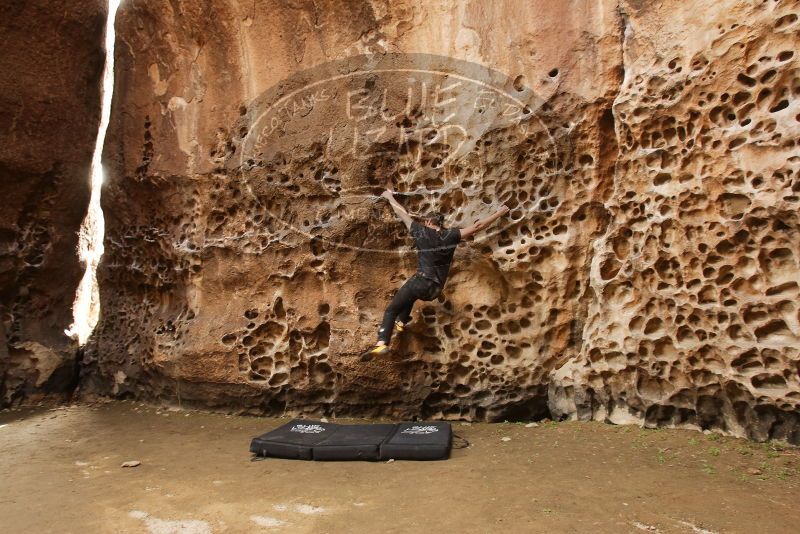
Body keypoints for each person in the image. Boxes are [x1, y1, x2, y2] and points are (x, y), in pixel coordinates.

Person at [362, 189, 510, 359]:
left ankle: (382, 343)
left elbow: (401, 213)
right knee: (409, 295)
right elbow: (478, 226)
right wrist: (500, 212)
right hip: (436, 289)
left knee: (390, 309)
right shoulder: (451, 235)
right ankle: (402, 322)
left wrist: (388, 196)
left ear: (429, 222)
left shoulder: (421, 231)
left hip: (422, 281)